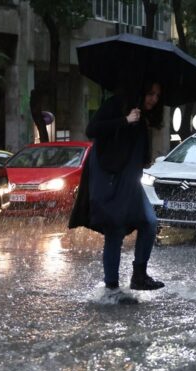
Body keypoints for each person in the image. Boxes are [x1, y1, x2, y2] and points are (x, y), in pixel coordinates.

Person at [68, 80, 165, 305]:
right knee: (115, 229)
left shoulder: (143, 117)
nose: (154, 99)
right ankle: (111, 287)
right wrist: (125, 120)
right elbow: (92, 130)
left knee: (149, 222)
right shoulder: (116, 105)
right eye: (150, 93)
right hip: (110, 179)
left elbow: (137, 151)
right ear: (140, 91)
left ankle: (139, 275)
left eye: (157, 96)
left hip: (131, 182)